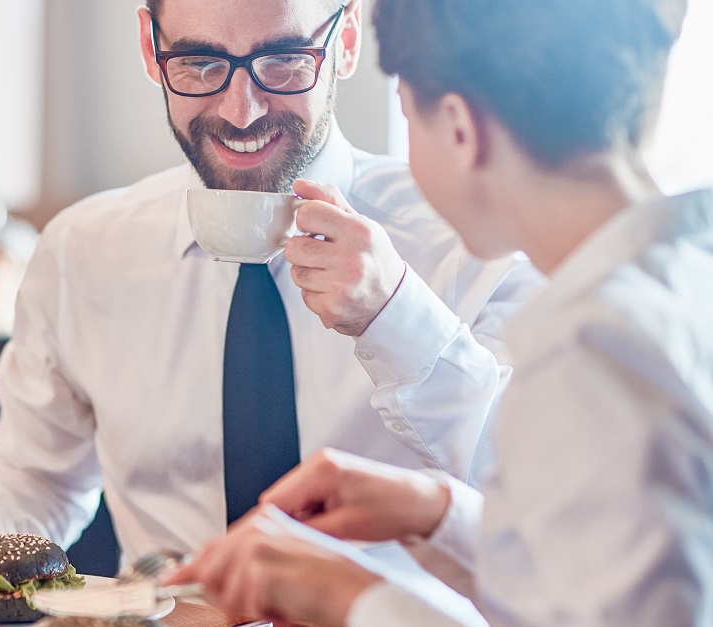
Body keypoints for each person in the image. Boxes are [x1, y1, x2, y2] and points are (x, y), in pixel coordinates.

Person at [0, 0, 541, 574]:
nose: (240, 110)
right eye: (199, 65)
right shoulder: (81, 250)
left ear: (343, 40)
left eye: (282, 59)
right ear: (151, 49)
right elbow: (38, 475)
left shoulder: (476, 237)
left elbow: (534, 493)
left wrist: (396, 316)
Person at [170, 0, 709, 625]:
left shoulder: (593, 348)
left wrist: (345, 596)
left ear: (458, 127)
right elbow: (599, 569)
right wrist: (438, 514)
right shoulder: (684, 278)